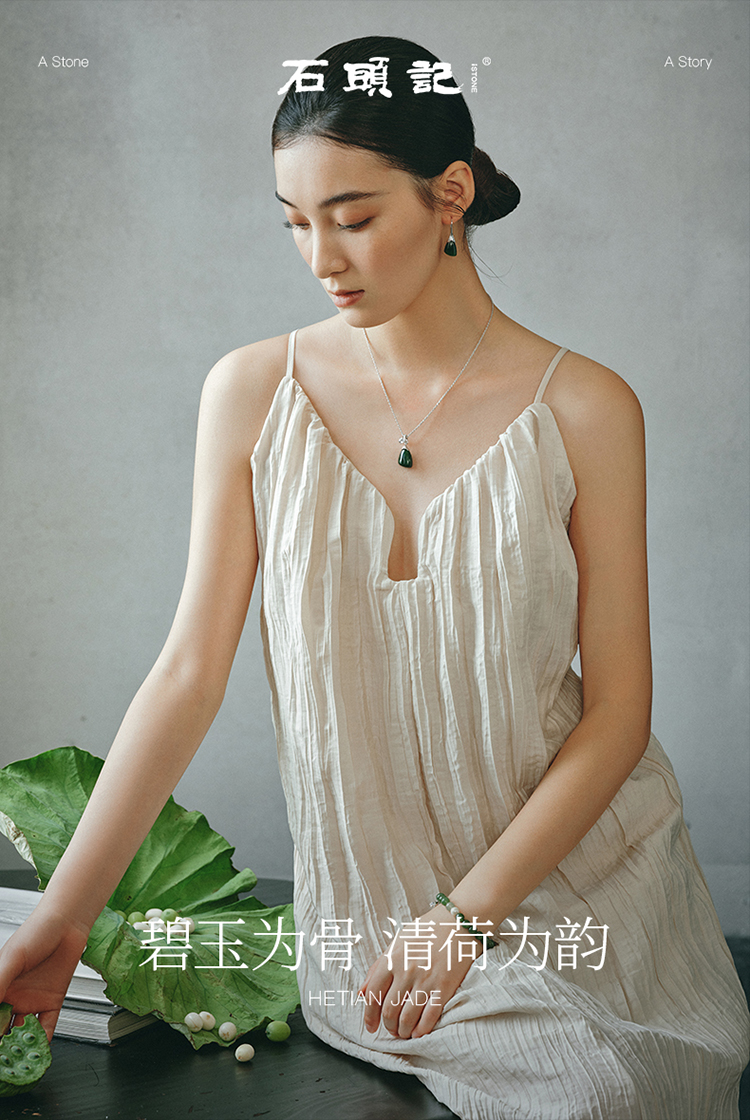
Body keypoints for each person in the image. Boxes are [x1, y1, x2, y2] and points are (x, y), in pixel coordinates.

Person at [1, 34, 748, 1120]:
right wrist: (62, 922)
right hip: (376, 919)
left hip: (581, 884)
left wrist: (467, 917)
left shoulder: (586, 406)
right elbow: (187, 675)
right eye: (296, 222)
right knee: (591, 1096)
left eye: (352, 218)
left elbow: (619, 712)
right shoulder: (252, 392)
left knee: (627, 1085)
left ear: (452, 195)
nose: (322, 257)